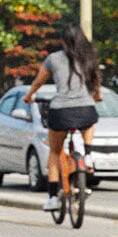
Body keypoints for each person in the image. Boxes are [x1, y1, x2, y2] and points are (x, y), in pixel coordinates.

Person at [25, 23, 100, 212]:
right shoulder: (88, 57)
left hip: (61, 112)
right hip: (85, 110)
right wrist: (96, 96)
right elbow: (95, 80)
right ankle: (88, 155)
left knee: (55, 153)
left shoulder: (53, 58)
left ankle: (52, 198)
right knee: (90, 121)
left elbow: (39, 81)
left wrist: (29, 95)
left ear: (63, 42)